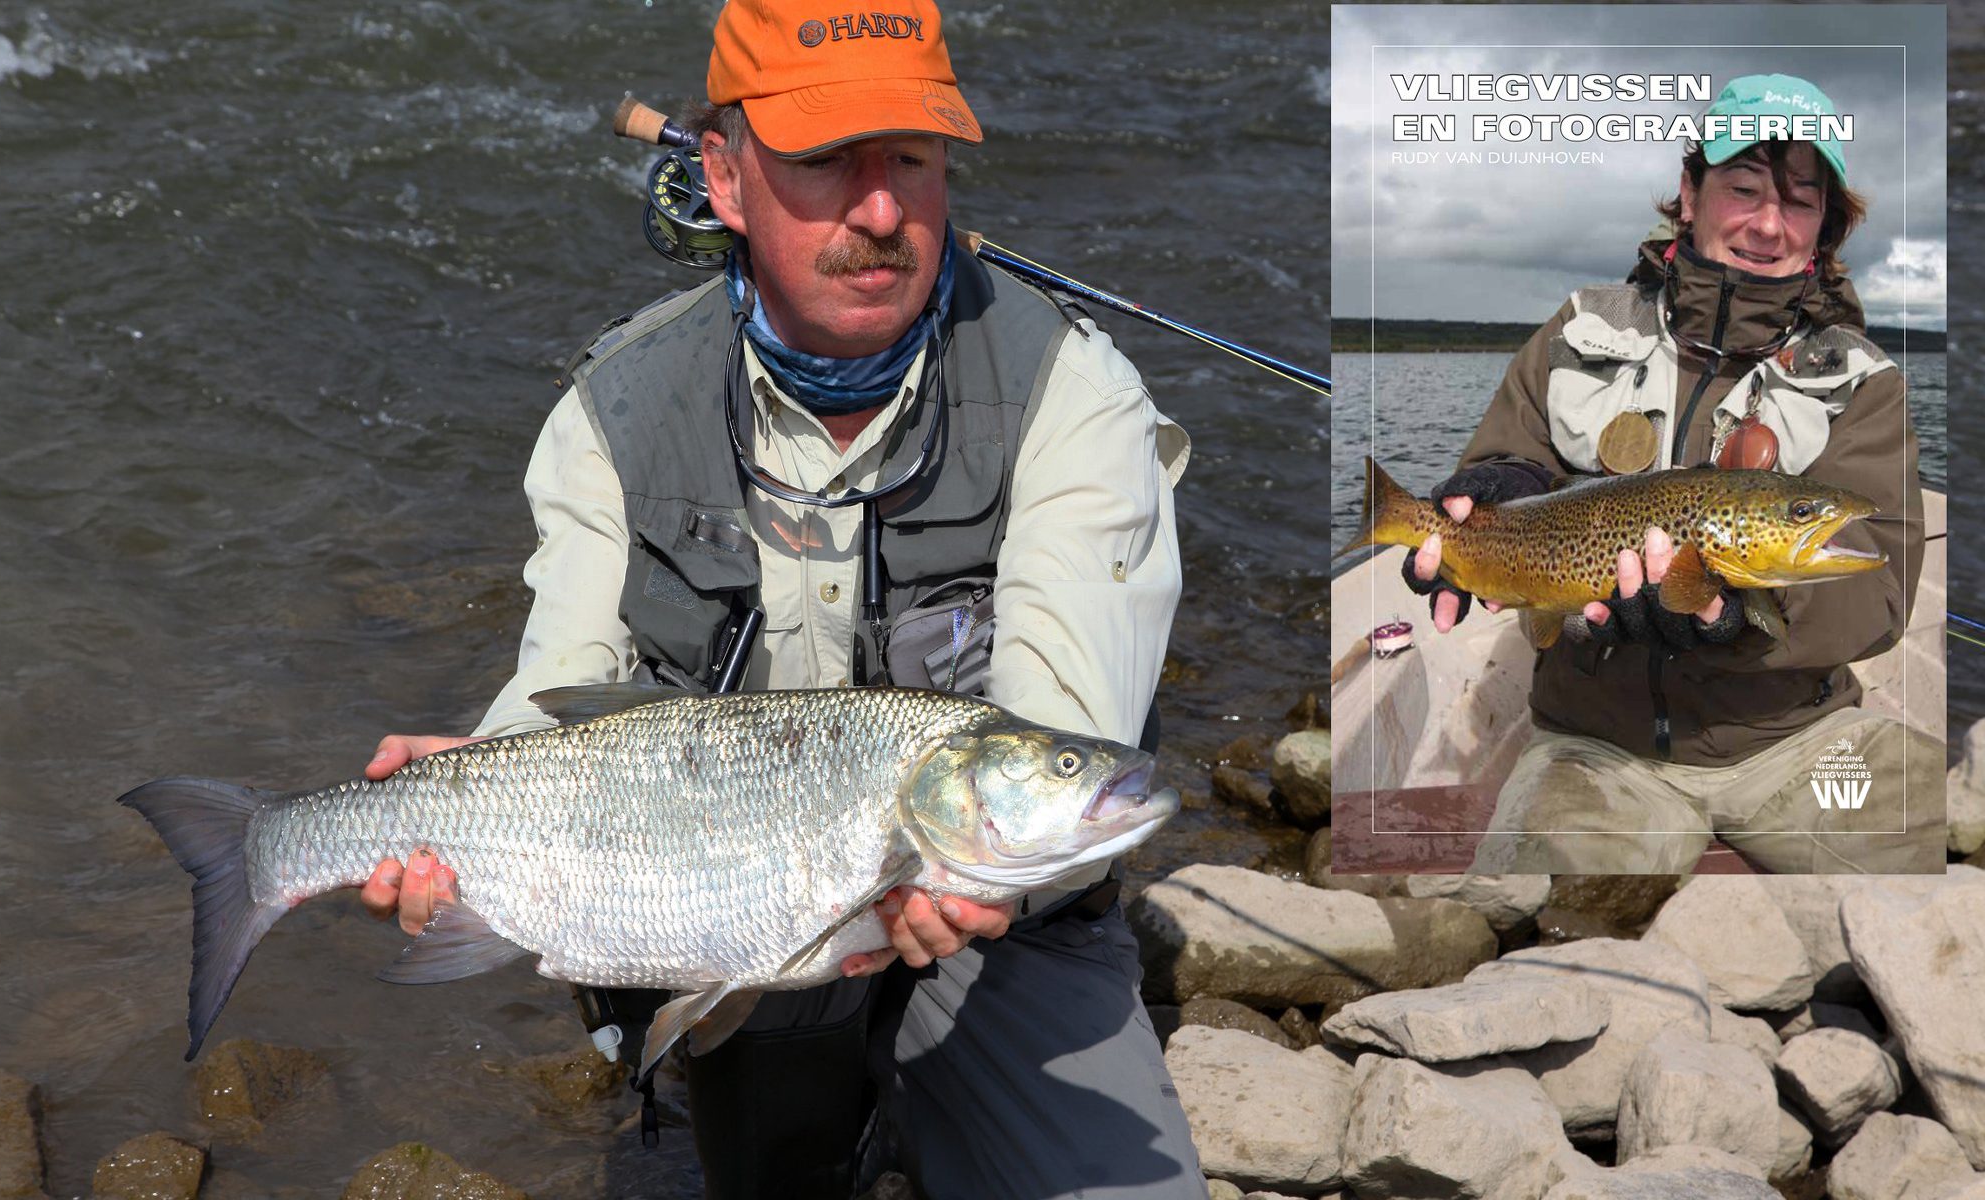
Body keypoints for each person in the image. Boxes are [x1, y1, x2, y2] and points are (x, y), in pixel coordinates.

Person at [354, 1, 1204, 1196]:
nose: (877, 212)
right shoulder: (610, 413)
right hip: (722, 912)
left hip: (1003, 919)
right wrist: (471, 799)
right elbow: (552, 694)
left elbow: (1064, 744)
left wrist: (973, 881)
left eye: (909, 160)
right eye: (821, 162)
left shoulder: (1076, 394)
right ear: (724, 175)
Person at [1403, 74, 1942, 875]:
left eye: (1799, 200)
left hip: (1796, 742)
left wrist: (1735, 615)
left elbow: (1883, 586)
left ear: (1826, 223)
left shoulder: (1863, 380)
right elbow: (1502, 460)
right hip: (1595, 746)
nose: (1768, 223)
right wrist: (1499, 481)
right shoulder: (1581, 327)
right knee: (1544, 913)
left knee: (1938, 852)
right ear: (1688, 194)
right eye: (1744, 187)